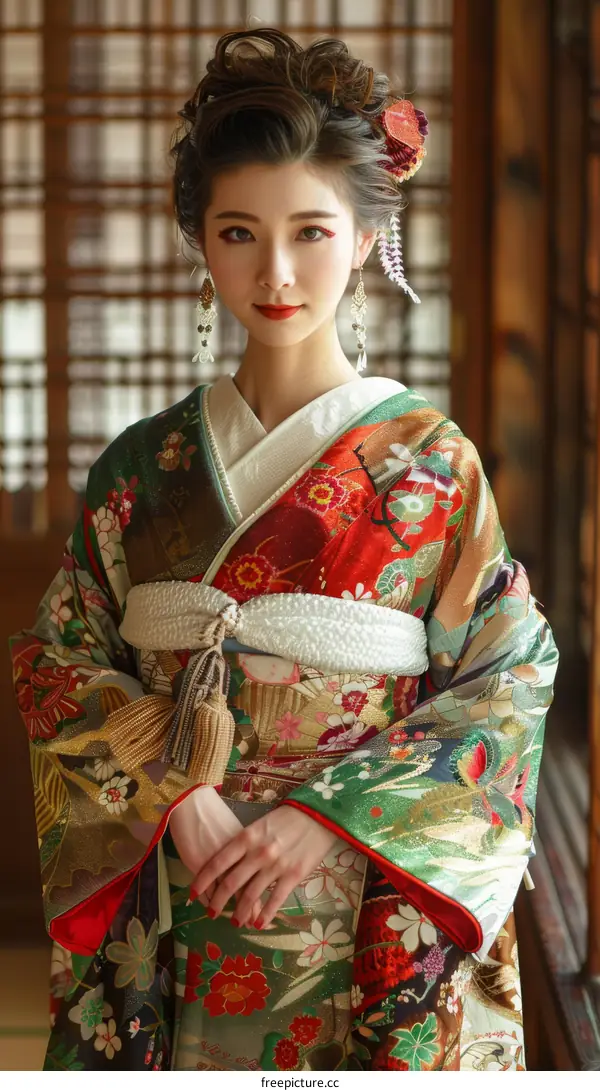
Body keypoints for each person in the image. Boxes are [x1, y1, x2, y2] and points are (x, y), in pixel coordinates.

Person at [10, 28, 558, 1072]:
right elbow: (58, 660)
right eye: (238, 232)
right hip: (176, 895)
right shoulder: (141, 468)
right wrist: (175, 797)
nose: (274, 272)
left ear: (365, 238)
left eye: (311, 232)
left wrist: (334, 816)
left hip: (360, 906)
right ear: (199, 241)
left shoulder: (431, 465)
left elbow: (508, 678)